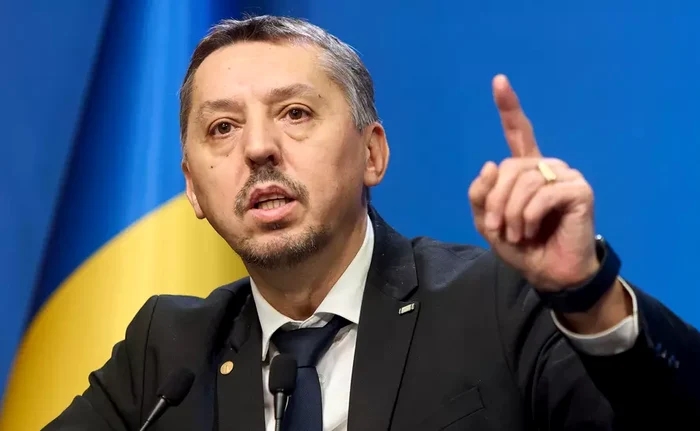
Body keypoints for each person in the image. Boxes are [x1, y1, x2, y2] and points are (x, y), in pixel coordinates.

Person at [45, 15, 699, 431]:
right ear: (193, 188)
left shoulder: (498, 305)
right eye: (222, 127)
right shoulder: (167, 353)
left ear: (372, 153)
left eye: (295, 113)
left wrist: (587, 294)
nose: (258, 148)